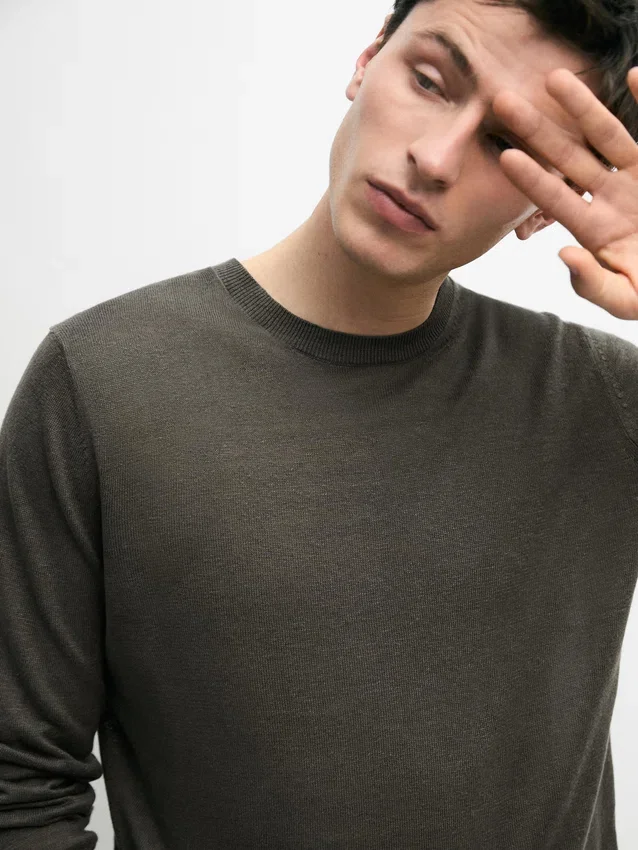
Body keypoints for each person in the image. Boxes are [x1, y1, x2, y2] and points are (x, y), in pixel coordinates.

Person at [2, 0, 638, 847]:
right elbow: (18, 782)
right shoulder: (99, 381)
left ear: (548, 203)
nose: (435, 158)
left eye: (505, 142)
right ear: (365, 62)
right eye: (429, 81)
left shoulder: (606, 402)